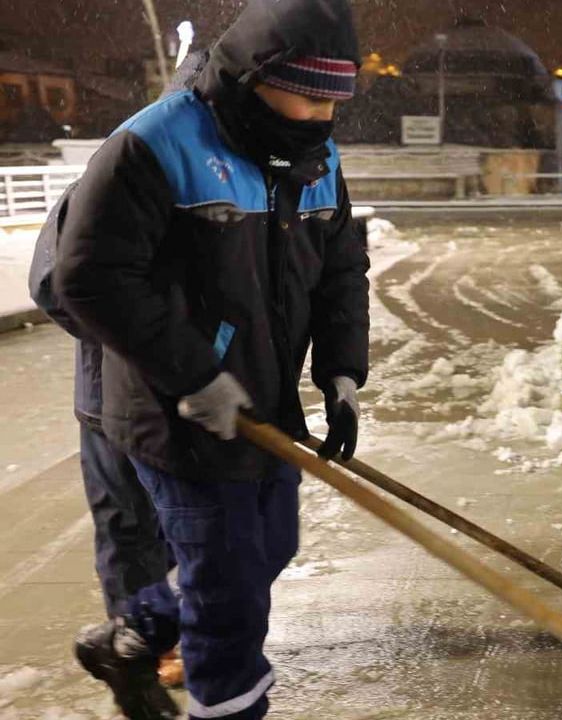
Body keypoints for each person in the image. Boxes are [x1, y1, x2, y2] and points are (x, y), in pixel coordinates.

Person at [53, 0, 368, 717]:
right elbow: (92, 278)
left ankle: (130, 636)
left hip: (263, 407)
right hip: (176, 414)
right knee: (230, 595)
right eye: (311, 94)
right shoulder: (157, 143)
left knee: (270, 547)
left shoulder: (318, 158)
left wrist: (342, 372)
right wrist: (195, 377)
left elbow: (341, 268)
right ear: (258, 75)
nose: (322, 115)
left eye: (335, 100)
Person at [27, 50, 215, 694]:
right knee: (133, 526)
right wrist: (141, 345)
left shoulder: (217, 177)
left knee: (189, 524)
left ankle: (177, 636)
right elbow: (55, 285)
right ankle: (142, 644)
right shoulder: (118, 170)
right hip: (117, 397)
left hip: (194, 394)